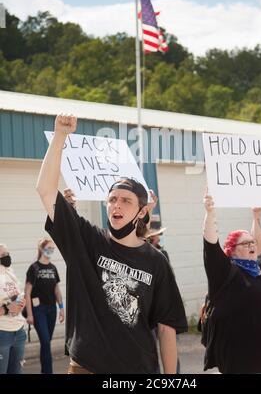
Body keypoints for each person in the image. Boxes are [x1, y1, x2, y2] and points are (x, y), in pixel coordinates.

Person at [36, 113, 187, 374]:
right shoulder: (86, 239)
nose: (116, 204)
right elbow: (46, 190)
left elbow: (166, 327)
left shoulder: (156, 261)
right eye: (112, 199)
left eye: (126, 201)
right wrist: (60, 136)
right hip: (85, 368)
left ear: (141, 212)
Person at [202, 192, 261, 374]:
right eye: (245, 244)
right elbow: (210, 244)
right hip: (245, 364)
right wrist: (210, 212)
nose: (252, 245)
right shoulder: (223, 272)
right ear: (231, 251)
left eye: (252, 242)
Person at [24, 237, 64, 374]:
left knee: (46, 342)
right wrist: (29, 314)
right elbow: (27, 292)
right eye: (49, 248)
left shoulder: (53, 268)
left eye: (53, 248)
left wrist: (62, 308)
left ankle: (44, 371)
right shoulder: (34, 268)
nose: (51, 250)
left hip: (51, 309)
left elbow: (56, 289)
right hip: (38, 310)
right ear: (41, 249)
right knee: (46, 341)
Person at [0, 244, 26, 374]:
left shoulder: (10, 273)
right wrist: (7, 309)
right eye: (3, 255)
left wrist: (21, 303)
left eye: (8, 253)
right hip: (2, 333)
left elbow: (18, 295)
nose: (7, 257)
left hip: (19, 331)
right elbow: (8, 306)